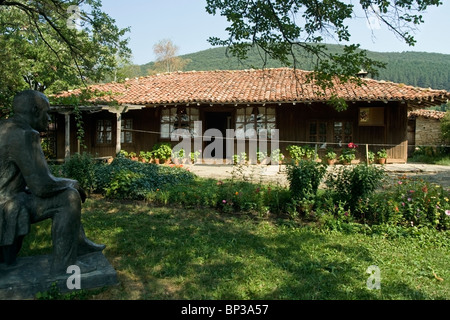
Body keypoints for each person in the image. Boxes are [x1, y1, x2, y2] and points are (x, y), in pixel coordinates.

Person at [0, 90, 105, 275]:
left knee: (65, 189)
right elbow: (42, 186)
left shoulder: (5, 127)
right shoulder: (25, 134)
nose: (49, 118)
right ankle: (64, 265)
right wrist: (72, 183)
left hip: (10, 199)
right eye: (46, 112)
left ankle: (78, 243)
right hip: (6, 205)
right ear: (34, 110)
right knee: (69, 198)